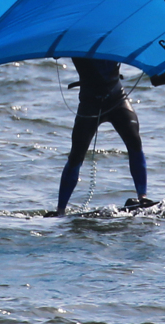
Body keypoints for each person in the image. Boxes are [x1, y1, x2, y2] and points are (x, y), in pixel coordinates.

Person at [54, 58, 148, 215]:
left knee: (134, 142)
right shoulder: (78, 41)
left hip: (118, 98)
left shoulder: (111, 36)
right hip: (90, 104)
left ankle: (143, 197)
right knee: (76, 155)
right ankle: (60, 210)